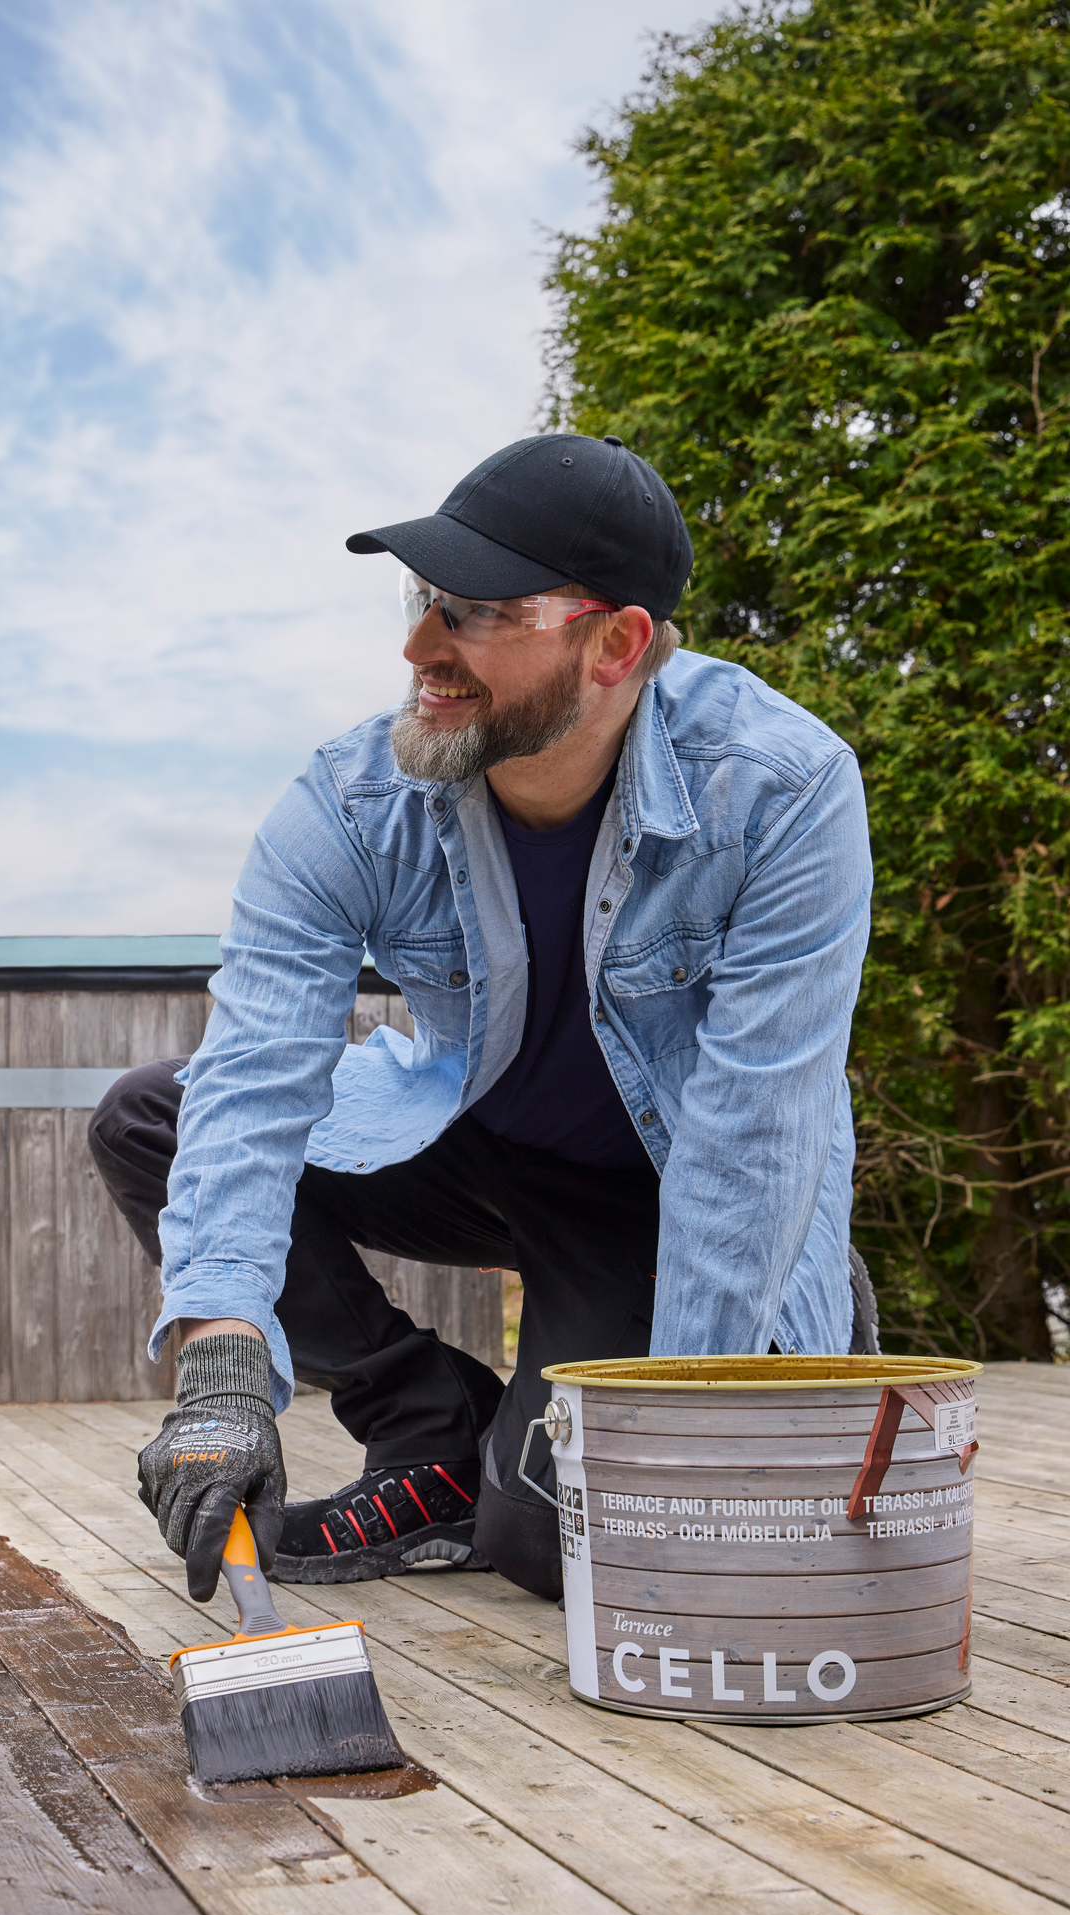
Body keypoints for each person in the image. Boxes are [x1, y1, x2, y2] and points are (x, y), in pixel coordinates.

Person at [91, 433, 875, 1606]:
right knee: (153, 1116)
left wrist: (684, 1440)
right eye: (422, 601)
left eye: (473, 612)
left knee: (550, 1539)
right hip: (481, 1145)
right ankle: (430, 1430)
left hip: (676, 1195)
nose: (418, 647)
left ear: (614, 643)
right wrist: (220, 1370)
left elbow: (751, 1136)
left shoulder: (779, 791)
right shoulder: (352, 801)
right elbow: (255, 1076)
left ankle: (801, 1310)